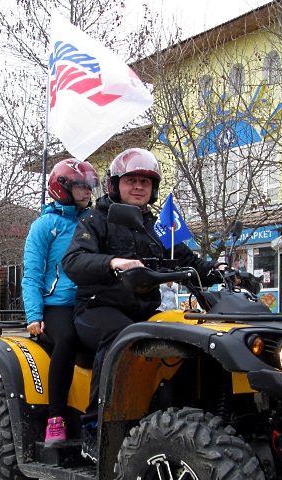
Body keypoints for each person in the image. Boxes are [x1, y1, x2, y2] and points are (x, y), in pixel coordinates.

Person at [62, 148, 223, 462]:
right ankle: (95, 426)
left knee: (185, 334)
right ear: (115, 184)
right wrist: (114, 262)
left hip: (143, 311)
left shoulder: (158, 225)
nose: (138, 187)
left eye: (145, 182)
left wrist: (220, 272)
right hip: (97, 309)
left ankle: (175, 417)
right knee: (121, 336)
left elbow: (186, 258)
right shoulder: (98, 218)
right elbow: (73, 260)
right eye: (132, 180)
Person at [22, 158, 98, 444]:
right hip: (57, 305)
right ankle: (56, 418)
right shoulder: (45, 225)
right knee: (67, 337)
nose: (87, 193)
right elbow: (31, 274)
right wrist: (34, 315)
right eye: (81, 187)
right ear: (61, 188)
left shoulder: (92, 221)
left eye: (90, 187)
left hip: (88, 301)